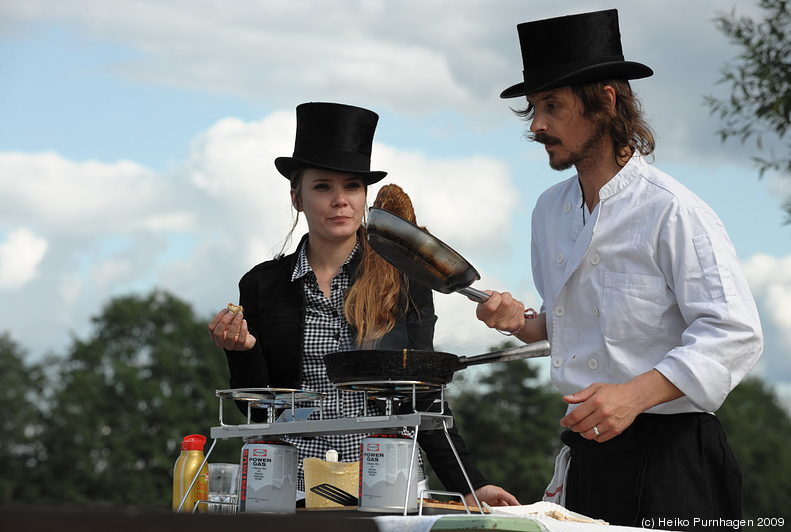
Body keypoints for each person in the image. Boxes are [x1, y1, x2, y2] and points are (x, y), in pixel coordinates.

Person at [474, 9, 763, 529]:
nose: (537, 125)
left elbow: (734, 333)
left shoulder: (673, 209)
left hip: (675, 460)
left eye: (553, 106)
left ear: (606, 99)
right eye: (534, 108)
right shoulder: (547, 211)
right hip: (588, 457)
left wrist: (632, 396)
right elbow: (572, 327)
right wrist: (520, 322)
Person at [208, 102, 518, 507]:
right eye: (323, 187)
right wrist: (243, 350)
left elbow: (423, 397)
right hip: (291, 490)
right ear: (296, 197)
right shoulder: (263, 284)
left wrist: (470, 484)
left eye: (352, 186)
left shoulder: (404, 278)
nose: (341, 201)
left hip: (387, 487)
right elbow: (260, 414)